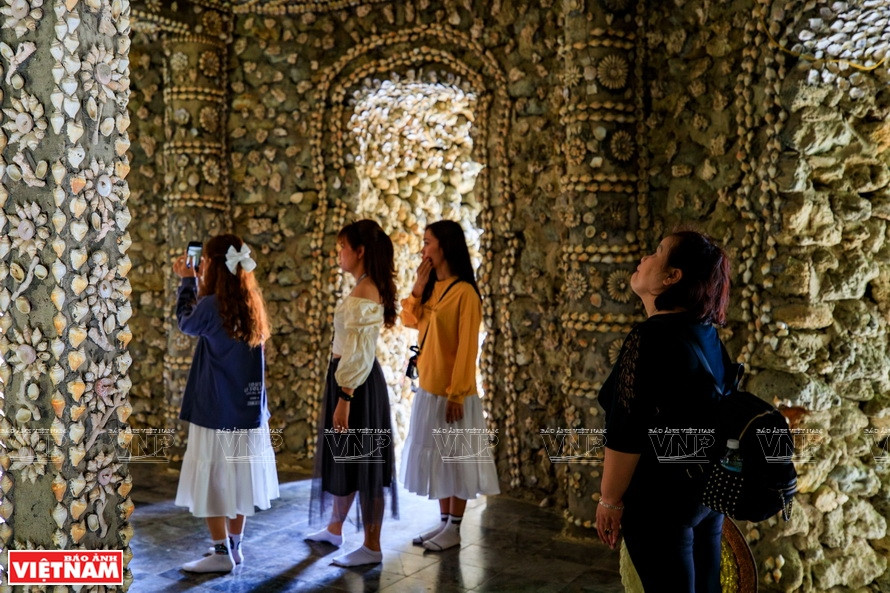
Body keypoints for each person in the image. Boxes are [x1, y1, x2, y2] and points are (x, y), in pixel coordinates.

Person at [596, 230, 732, 592]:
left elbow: (626, 431)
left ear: (672, 277)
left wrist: (609, 501)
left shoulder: (648, 337)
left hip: (660, 503)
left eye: (657, 253)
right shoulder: (706, 332)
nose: (644, 259)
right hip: (707, 492)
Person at [173, 234, 279, 573]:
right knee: (239, 476)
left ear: (213, 265)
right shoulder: (251, 304)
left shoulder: (211, 305)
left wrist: (188, 283)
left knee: (214, 477)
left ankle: (220, 553)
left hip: (216, 409)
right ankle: (234, 545)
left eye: (204, 260)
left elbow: (185, 322)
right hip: (247, 410)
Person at [400, 220, 500, 552]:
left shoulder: (466, 293)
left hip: (453, 393)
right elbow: (409, 320)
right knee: (439, 458)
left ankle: (454, 528)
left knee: (456, 459)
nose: (423, 249)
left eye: (427, 242)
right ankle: (444, 524)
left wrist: (457, 393)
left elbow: (467, 347)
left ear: (444, 247)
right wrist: (418, 284)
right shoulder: (431, 288)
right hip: (429, 388)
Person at [306, 219, 399, 566]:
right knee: (348, 457)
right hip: (348, 381)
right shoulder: (363, 286)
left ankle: (372, 547)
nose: (339, 253)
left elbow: (359, 353)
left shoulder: (365, 290)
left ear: (360, 251)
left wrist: (345, 398)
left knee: (365, 462)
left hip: (355, 385)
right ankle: (335, 528)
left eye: (344, 246)